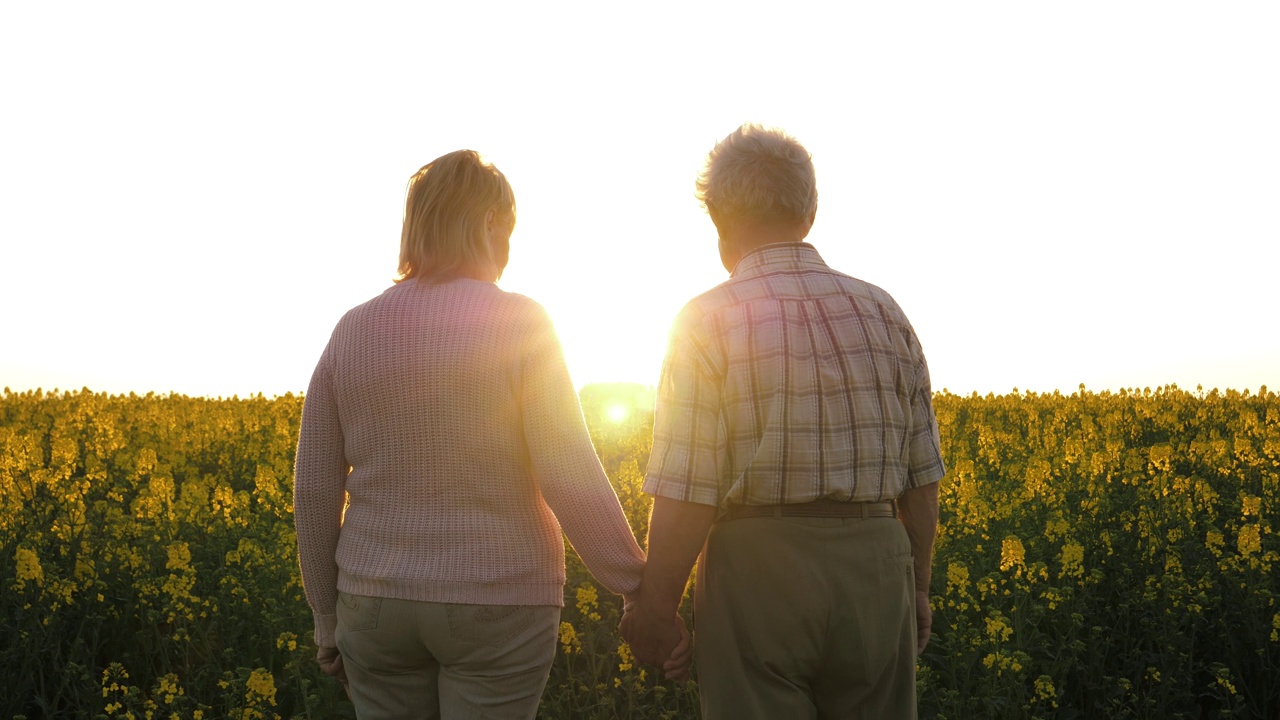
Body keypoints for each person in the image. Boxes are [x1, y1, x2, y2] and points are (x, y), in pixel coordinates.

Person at [294, 149, 687, 719]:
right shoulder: (520, 322)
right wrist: (637, 589)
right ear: (488, 225)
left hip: (374, 604)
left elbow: (314, 488)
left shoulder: (352, 329)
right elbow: (567, 472)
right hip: (498, 599)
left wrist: (326, 620)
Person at [619, 124, 945, 719]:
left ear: (718, 216)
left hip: (758, 570)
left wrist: (655, 612)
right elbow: (922, 480)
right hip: (877, 563)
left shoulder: (705, 320)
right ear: (809, 210)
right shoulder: (884, 311)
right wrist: (918, 590)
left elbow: (688, 490)